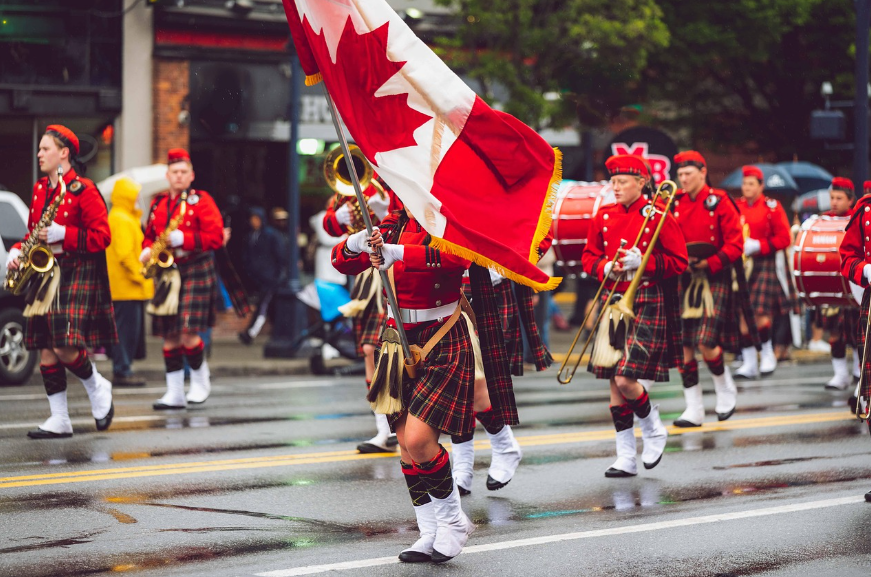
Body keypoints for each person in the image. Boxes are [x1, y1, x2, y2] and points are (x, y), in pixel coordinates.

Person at [331, 205, 485, 563]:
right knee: (404, 444)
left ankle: (453, 521)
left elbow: (456, 257)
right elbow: (342, 262)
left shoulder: (449, 215)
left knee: (418, 439)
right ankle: (428, 531)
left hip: (441, 333)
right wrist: (357, 243)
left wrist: (397, 253)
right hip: (397, 336)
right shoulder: (396, 219)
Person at [5, 125, 116, 438]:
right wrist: (17, 251)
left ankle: (97, 385)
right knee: (45, 348)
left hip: (75, 268)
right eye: (40, 149)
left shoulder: (84, 190)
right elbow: (33, 233)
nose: (39, 154)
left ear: (64, 153)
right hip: (45, 270)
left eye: (45, 149)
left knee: (64, 345)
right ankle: (59, 418)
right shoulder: (41, 189)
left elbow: (103, 236)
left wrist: (65, 235)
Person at [581, 154, 687, 477]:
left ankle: (654, 429)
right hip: (614, 297)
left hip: (646, 296)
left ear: (641, 183)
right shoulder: (602, 215)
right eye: (612, 181)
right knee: (614, 383)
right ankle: (625, 455)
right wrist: (604, 267)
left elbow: (679, 261)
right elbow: (589, 257)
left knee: (626, 378)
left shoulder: (657, 214)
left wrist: (644, 262)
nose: (615, 187)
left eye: (622, 181)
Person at [141, 148, 224, 410]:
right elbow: (150, 234)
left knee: (189, 332)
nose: (178, 176)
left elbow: (216, 237)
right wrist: (145, 248)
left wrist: (185, 240)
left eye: (183, 172)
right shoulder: (158, 203)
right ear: (167, 175)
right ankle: (174, 392)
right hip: (168, 271)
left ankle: (201, 382)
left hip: (196, 267)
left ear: (191, 175)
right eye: (174, 172)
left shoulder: (202, 200)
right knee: (170, 335)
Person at [323, 178, 401, 453]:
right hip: (367, 274)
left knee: (388, 351)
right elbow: (330, 227)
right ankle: (384, 429)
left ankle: (400, 426)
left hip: (394, 265)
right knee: (370, 349)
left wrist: (383, 214)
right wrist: (338, 217)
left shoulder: (392, 178)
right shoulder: (354, 186)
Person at [671, 151, 743, 426]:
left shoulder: (720, 201)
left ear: (703, 172)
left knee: (706, 341)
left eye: (688, 173)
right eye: (680, 174)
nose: (683, 179)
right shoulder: (674, 203)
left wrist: (710, 262)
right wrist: (681, 262)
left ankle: (725, 388)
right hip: (685, 278)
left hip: (714, 276)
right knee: (684, 347)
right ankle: (694, 408)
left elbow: (736, 244)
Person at [734, 165, 792, 379]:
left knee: (760, 314)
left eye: (751, 184)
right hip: (741, 265)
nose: (746, 188)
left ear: (761, 186)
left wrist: (759, 245)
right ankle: (749, 363)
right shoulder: (736, 206)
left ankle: (767, 354)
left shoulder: (772, 207)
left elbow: (785, 238)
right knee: (743, 314)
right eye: (744, 183)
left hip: (764, 262)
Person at [106, 176, 153, 387]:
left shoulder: (124, 217)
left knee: (127, 333)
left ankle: (123, 368)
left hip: (127, 287)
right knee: (125, 333)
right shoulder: (120, 219)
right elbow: (125, 255)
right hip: (125, 287)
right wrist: (141, 274)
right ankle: (122, 370)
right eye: (135, 195)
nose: (138, 199)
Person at [817, 177, 860, 390]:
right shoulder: (824, 220)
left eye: (839, 198)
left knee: (857, 333)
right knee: (834, 332)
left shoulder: (857, 219)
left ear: (850, 200)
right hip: (832, 286)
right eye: (832, 197)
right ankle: (840, 375)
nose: (834, 202)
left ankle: (859, 370)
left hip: (853, 286)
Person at [238, 206, 288, 345]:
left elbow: (280, 256)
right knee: (270, 307)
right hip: (258, 278)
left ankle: (250, 333)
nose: (253, 221)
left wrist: (277, 274)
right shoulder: (251, 235)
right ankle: (278, 332)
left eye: (255, 218)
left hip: (271, 278)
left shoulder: (271, 234)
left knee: (263, 306)